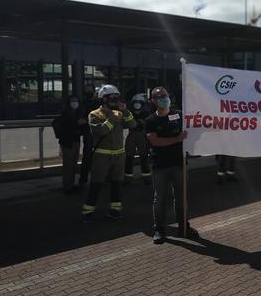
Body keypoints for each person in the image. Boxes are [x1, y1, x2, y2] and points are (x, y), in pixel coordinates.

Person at [144, 86, 197, 243]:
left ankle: (183, 226)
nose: (163, 98)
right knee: (159, 199)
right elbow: (154, 141)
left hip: (179, 164)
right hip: (160, 166)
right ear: (153, 101)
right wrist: (177, 139)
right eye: (159, 97)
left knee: (181, 197)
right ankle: (159, 230)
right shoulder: (150, 120)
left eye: (165, 95)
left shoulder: (179, 116)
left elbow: (194, 129)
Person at [82, 85, 137, 221]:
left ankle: (115, 210)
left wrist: (126, 111)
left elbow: (133, 125)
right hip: (102, 156)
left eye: (116, 97)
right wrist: (112, 117)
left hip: (119, 156)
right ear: (103, 99)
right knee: (97, 184)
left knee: (117, 183)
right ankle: (88, 212)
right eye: (111, 98)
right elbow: (100, 131)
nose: (114, 100)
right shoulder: (94, 114)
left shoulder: (119, 113)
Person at [53, 95, 88, 193]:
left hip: (75, 140)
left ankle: (71, 184)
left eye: (76, 101)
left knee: (73, 163)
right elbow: (67, 126)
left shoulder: (77, 113)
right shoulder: (65, 114)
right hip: (67, 141)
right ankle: (67, 186)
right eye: (72, 101)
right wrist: (77, 123)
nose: (74, 103)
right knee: (68, 164)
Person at [124, 93, 153, 184]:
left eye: (139, 103)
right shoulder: (130, 113)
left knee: (144, 158)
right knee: (129, 158)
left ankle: (147, 178)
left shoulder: (146, 114)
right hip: (132, 137)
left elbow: (142, 125)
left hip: (142, 138)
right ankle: (128, 178)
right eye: (135, 103)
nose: (137, 105)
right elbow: (126, 124)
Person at [79, 86, 100, 186]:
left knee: (88, 156)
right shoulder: (96, 103)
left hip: (89, 132)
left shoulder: (84, 103)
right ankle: (93, 179)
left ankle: (84, 179)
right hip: (93, 132)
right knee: (94, 156)